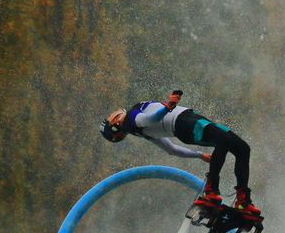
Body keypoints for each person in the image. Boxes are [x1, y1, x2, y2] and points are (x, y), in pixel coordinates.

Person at [100, 90, 261, 216]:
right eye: (111, 118)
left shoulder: (142, 132)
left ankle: (242, 200)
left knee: (242, 148)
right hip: (184, 123)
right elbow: (149, 119)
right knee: (224, 142)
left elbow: (171, 149)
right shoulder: (130, 121)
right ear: (115, 125)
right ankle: (212, 190)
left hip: (188, 121)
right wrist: (167, 107)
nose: (113, 114)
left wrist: (199, 155)